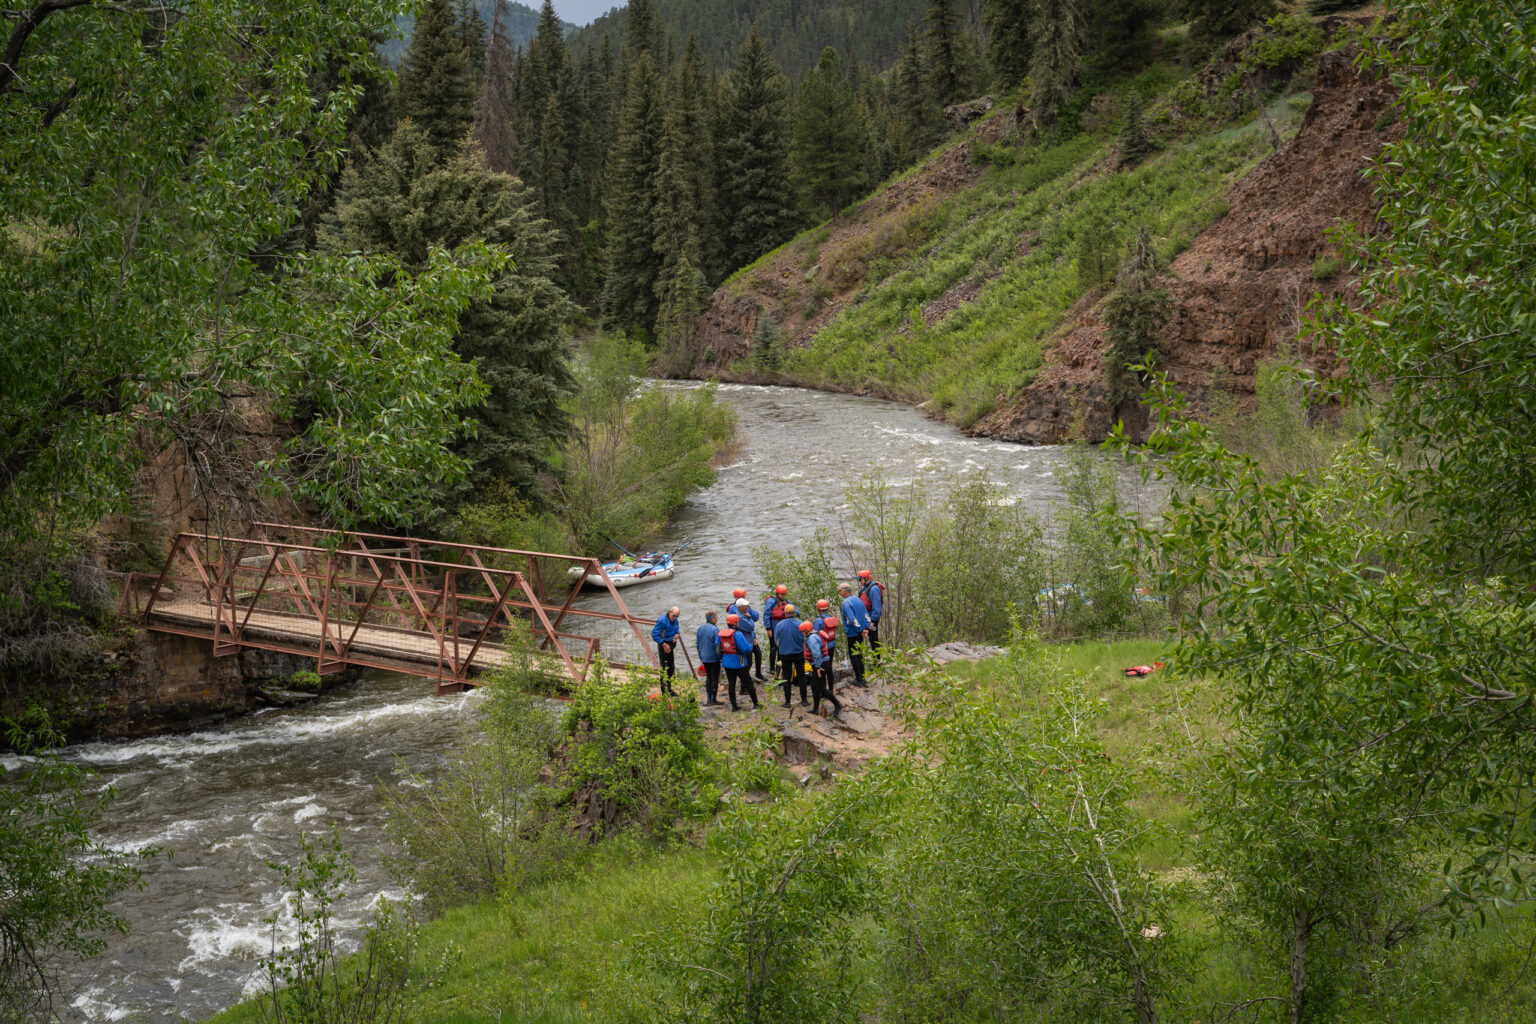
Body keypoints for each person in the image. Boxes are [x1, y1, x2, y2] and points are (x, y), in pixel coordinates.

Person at [720, 614, 758, 710]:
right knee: (748, 682)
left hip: (727, 663)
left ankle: (734, 706)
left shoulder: (721, 634)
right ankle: (756, 704)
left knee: (731, 684)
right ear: (735, 623)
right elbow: (746, 649)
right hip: (738, 663)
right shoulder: (738, 634)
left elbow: (718, 647)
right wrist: (751, 646)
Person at [804, 619, 842, 717]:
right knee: (814, 686)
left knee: (821, 689)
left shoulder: (812, 639)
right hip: (823, 662)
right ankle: (815, 709)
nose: (802, 634)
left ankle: (838, 705)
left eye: (802, 632)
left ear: (807, 631)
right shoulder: (816, 634)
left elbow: (816, 655)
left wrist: (817, 667)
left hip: (820, 665)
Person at [773, 603, 808, 707]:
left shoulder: (779, 625)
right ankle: (804, 700)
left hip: (785, 654)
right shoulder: (800, 624)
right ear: (794, 613)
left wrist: (782, 647)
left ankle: (787, 702)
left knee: (786, 678)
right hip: (799, 653)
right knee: (801, 676)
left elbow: (776, 640)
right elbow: (805, 639)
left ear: (785, 614)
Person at [839, 583, 873, 686]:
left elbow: (851, 619)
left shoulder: (846, 603)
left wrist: (860, 630)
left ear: (845, 591)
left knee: (854, 655)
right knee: (860, 654)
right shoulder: (858, 600)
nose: (839, 593)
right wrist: (866, 629)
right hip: (861, 632)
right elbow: (866, 615)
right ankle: (862, 678)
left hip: (853, 633)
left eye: (840, 590)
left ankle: (858, 680)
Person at [729, 589, 765, 681]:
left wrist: (754, 637)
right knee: (747, 661)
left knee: (758, 654)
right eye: (741, 597)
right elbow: (749, 625)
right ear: (736, 598)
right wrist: (748, 616)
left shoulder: (745, 606)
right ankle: (745, 679)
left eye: (743, 596)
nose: (743, 598)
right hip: (743, 637)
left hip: (750, 636)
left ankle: (758, 674)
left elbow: (756, 617)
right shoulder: (733, 608)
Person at [651, 606, 682, 695]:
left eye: (677, 616)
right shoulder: (662, 621)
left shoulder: (675, 620)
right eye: (674, 616)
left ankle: (669, 689)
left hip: (671, 643)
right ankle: (664, 691)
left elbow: (677, 630)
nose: (675, 618)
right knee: (664, 667)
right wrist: (663, 644)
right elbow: (654, 634)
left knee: (671, 667)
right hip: (663, 644)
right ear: (670, 612)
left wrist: (677, 635)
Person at [696, 611, 722, 706]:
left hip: (704, 658)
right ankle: (713, 699)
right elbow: (718, 645)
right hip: (713, 658)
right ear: (712, 618)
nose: (717, 619)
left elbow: (697, 644)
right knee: (714, 678)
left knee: (709, 678)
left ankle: (708, 699)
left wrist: (701, 656)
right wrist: (720, 657)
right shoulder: (715, 630)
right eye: (716, 617)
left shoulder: (700, 628)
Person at [857, 569, 885, 651]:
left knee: (874, 639)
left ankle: (877, 662)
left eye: (860, 579)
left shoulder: (874, 589)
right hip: (868, 618)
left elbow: (877, 608)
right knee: (870, 639)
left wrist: (872, 622)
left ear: (866, 579)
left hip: (872, 619)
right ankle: (875, 660)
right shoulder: (866, 588)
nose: (859, 582)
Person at [763, 584, 789, 668]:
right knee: (773, 648)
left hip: (783, 628)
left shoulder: (786, 602)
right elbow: (766, 615)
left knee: (781, 648)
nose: (783, 596)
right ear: (777, 593)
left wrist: (794, 613)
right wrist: (768, 629)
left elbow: (795, 609)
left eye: (784, 594)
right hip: (773, 628)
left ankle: (779, 667)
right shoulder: (771, 601)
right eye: (782, 594)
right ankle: (771, 668)